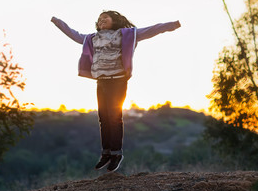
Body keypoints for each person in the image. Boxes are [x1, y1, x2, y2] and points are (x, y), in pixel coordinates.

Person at [51, 11, 181, 172]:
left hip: (118, 81)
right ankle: (106, 153)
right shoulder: (92, 38)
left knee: (114, 117)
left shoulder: (125, 34)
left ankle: (116, 154)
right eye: (99, 19)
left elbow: (151, 30)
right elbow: (74, 34)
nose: (102, 20)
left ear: (115, 21)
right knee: (103, 118)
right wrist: (57, 22)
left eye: (105, 18)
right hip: (102, 81)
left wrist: (172, 25)